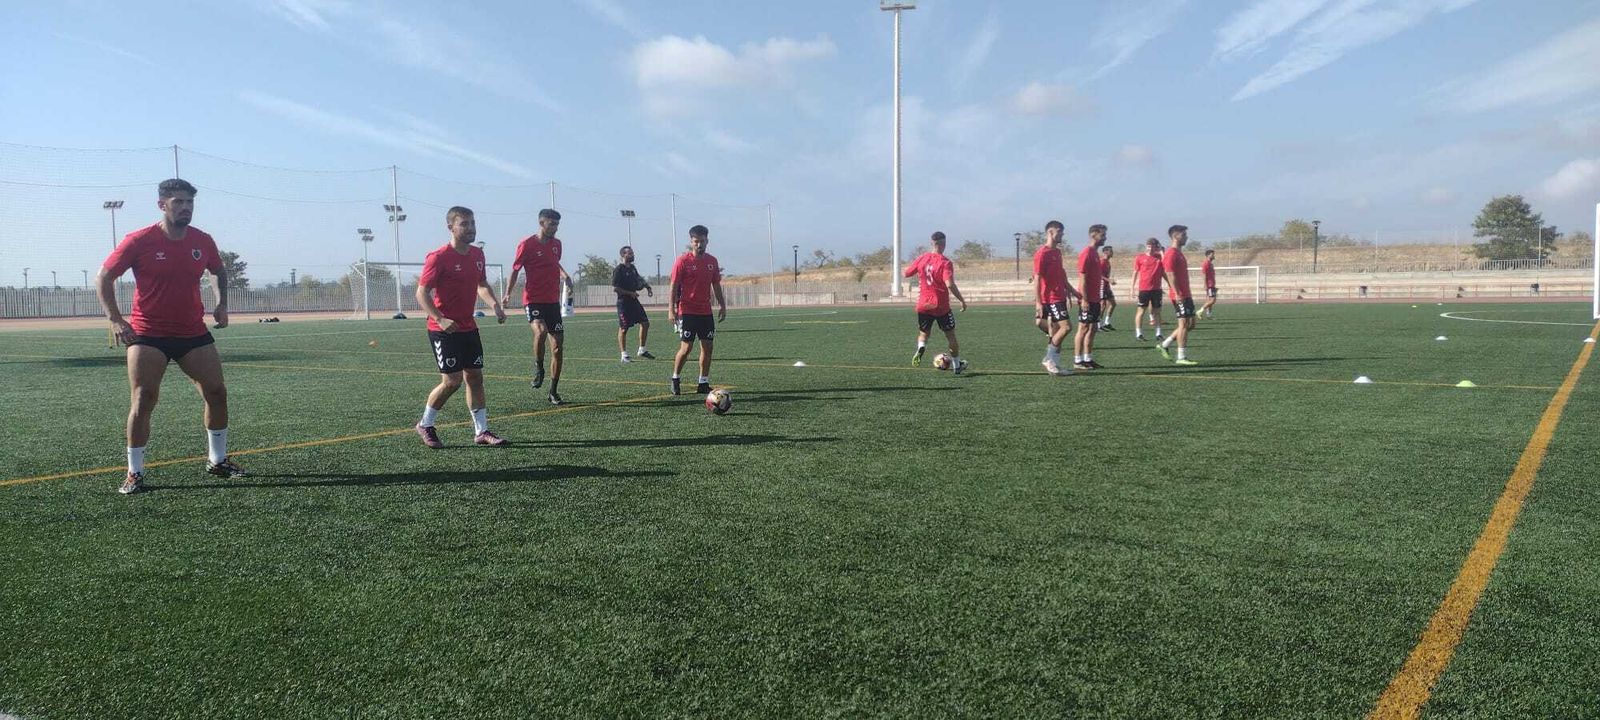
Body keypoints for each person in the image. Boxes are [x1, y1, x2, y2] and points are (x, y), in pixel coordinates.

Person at [97, 178, 246, 494]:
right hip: (149, 334)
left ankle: (217, 461)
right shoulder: (139, 240)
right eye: (178, 202)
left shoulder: (202, 241)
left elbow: (218, 271)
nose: (185, 208)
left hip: (192, 332)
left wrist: (221, 304)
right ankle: (134, 472)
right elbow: (105, 276)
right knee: (144, 398)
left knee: (217, 393)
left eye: (190, 202)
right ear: (162, 205)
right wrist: (115, 319)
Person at [414, 207, 509, 449]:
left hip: (468, 327)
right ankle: (425, 424)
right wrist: (440, 318)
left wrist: (495, 305)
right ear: (451, 228)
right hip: (442, 329)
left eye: (473, 223)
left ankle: (482, 431)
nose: (471, 228)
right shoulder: (438, 257)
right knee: (452, 381)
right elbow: (421, 293)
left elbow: (482, 284)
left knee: (475, 377)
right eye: (464, 224)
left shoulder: (478, 254)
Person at [503, 208, 573, 405]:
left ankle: (553, 391)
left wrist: (564, 275)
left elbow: (554, 263)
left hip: (552, 302)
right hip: (533, 299)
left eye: (557, 224)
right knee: (540, 331)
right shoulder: (526, 244)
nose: (555, 228)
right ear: (542, 223)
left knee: (558, 348)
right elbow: (515, 270)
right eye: (552, 224)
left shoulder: (557, 245)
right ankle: (539, 367)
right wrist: (508, 292)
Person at [667, 225, 726, 395]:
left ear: (707, 241)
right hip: (687, 311)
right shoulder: (682, 261)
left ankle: (703, 382)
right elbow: (674, 286)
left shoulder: (712, 261)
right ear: (691, 242)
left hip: (705, 312)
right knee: (686, 348)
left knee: (708, 347)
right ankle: (676, 378)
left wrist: (722, 305)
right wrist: (671, 310)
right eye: (696, 241)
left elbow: (715, 284)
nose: (699, 244)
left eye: (702, 241)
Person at [906, 232, 970, 373]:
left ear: (931, 243)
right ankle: (956, 365)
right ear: (943, 244)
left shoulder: (922, 258)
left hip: (923, 305)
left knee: (923, 333)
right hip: (941, 306)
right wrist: (962, 300)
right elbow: (950, 284)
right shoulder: (945, 262)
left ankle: (921, 346)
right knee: (950, 335)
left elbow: (906, 273)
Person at [1033, 220, 1081, 375]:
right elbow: (1037, 279)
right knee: (1066, 327)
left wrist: (1072, 292)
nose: (1062, 235)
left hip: (1059, 296)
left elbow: (1061, 275)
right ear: (1050, 232)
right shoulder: (1042, 254)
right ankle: (1048, 358)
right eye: (1059, 231)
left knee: (1055, 330)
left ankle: (1055, 365)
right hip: (1050, 298)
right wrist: (1039, 302)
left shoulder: (1057, 252)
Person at [1158, 225, 1199, 365]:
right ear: (1176, 236)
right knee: (1183, 324)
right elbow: (1169, 274)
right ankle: (1181, 357)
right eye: (1184, 235)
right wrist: (1177, 293)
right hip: (1179, 295)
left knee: (1191, 324)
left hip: (1186, 294)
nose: (1186, 237)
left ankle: (1164, 344)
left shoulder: (1179, 253)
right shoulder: (1171, 254)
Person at [1072, 224, 1108, 370]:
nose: (1105, 238)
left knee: (1092, 328)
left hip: (1095, 298)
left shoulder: (1095, 254)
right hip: (1087, 298)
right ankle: (1077, 360)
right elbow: (1083, 278)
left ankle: (1088, 358)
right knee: (1083, 327)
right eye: (1102, 235)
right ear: (1093, 235)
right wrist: (1084, 299)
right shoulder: (1086, 253)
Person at [612, 245, 654, 362]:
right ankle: (624, 355)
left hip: (634, 301)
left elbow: (639, 279)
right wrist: (630, 293)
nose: (632, 255)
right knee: (624, 329)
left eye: (632, 253)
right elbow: (616, 288)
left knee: (645, 323)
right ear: (623, 255)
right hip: (623, 303)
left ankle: (642, 349)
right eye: (630, 253)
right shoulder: (619, 269)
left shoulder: (633, 268)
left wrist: (647, 287)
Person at [1130, 238, 1166, 342]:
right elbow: (1135, 273)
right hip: (1144, 289)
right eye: (1148, 246)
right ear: (1146, 246)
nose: (1150, 248)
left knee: (1157, 312)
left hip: (1156, 289)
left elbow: (1165, 270)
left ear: (1156, 247)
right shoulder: (1140, 258)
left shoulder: (1159, 257)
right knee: (1141, 311)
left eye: (1152, 246)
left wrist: (1169, 283)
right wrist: (1132, 288)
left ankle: (1159, 333)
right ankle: (1139, 333)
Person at [1098, 245, 1118, 332]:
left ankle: (1107, 322)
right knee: (1102, 305)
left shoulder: (1107, 262)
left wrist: (1109, 281)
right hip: (1102, 285)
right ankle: (1098, 324)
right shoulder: (1102, 262)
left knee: (1113, 303)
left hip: (1107, 286)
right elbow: (1099, 275)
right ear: (1106, 252)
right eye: (1111, 251)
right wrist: (1109, 280)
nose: (1112, 253)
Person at [1200, 249, 1219, 318]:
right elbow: (1204, 274)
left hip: (1212, 285)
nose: (1214, 255)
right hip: (1209, 285)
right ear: (1208, 255)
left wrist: (1214, 286)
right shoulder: (1206, 263)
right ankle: (1199, 311)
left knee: (1209, 300)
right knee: (1213, 300)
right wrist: (1205, 285)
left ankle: (1209, 314)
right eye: (1212, 254)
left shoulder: (1211, 264)